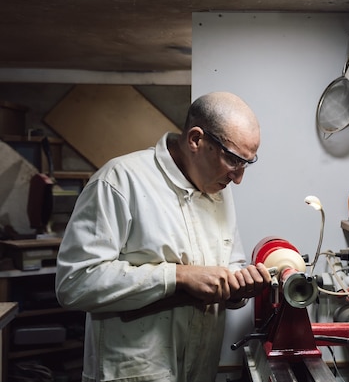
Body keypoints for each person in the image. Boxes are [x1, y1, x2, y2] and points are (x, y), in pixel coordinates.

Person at [55, 91, 272, 382]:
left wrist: (237, 289)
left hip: (199, 372)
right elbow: (74, 283)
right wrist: (178, 277)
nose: (238, 178)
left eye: (247, 163)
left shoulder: (218, 190)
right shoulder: (120, 180)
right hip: (133, 374)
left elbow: (229, 263)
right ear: (196, 139)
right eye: (233, 160)